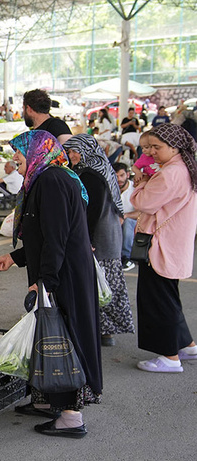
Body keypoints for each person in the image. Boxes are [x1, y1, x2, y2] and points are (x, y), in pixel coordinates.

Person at [0, 130, 101, 439]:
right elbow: (45, 234)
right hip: (60, 271)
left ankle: (70, 416)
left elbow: (57, 238)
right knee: (49, 336)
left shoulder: (51, 181)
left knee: (63, 339)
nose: (14, 158)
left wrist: (45, 283)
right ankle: (47, 400)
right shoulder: (49, 177)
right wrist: (15, 257)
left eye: (19, 152)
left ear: (38, 152)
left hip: (63, 276)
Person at [131, 123, 197, 373]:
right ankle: (186, 345)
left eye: (157, 147)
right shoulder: (182, 167)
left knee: (158, 301)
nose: (152, 152)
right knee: (168, 298)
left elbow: (144, 203)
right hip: (172, 245)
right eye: (149, 147)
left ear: (174, 146)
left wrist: (140, 184)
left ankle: (169, 357)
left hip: (161, 247)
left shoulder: (171, 173)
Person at [64, 134, 135, 347]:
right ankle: (105, 331)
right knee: (105, 284)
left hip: (100, 236)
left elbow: (91, 209)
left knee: (99, 284)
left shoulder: (89, 173)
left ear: (86, 150)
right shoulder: (100, 168)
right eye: (70, 151)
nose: (71, 155)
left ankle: (100, 330)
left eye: (75, 150)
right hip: (109, 234)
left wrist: (86, 238)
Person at [113, 162, 139, 270]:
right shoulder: (111, 189)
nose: (119, 179)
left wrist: (126, 216)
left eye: (122, 175)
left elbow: (141, 212)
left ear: (127, 175)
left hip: (133, 222)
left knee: (127, 223)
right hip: (116, 221)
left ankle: (127, 257)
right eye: (116, 176)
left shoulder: (135, 189)